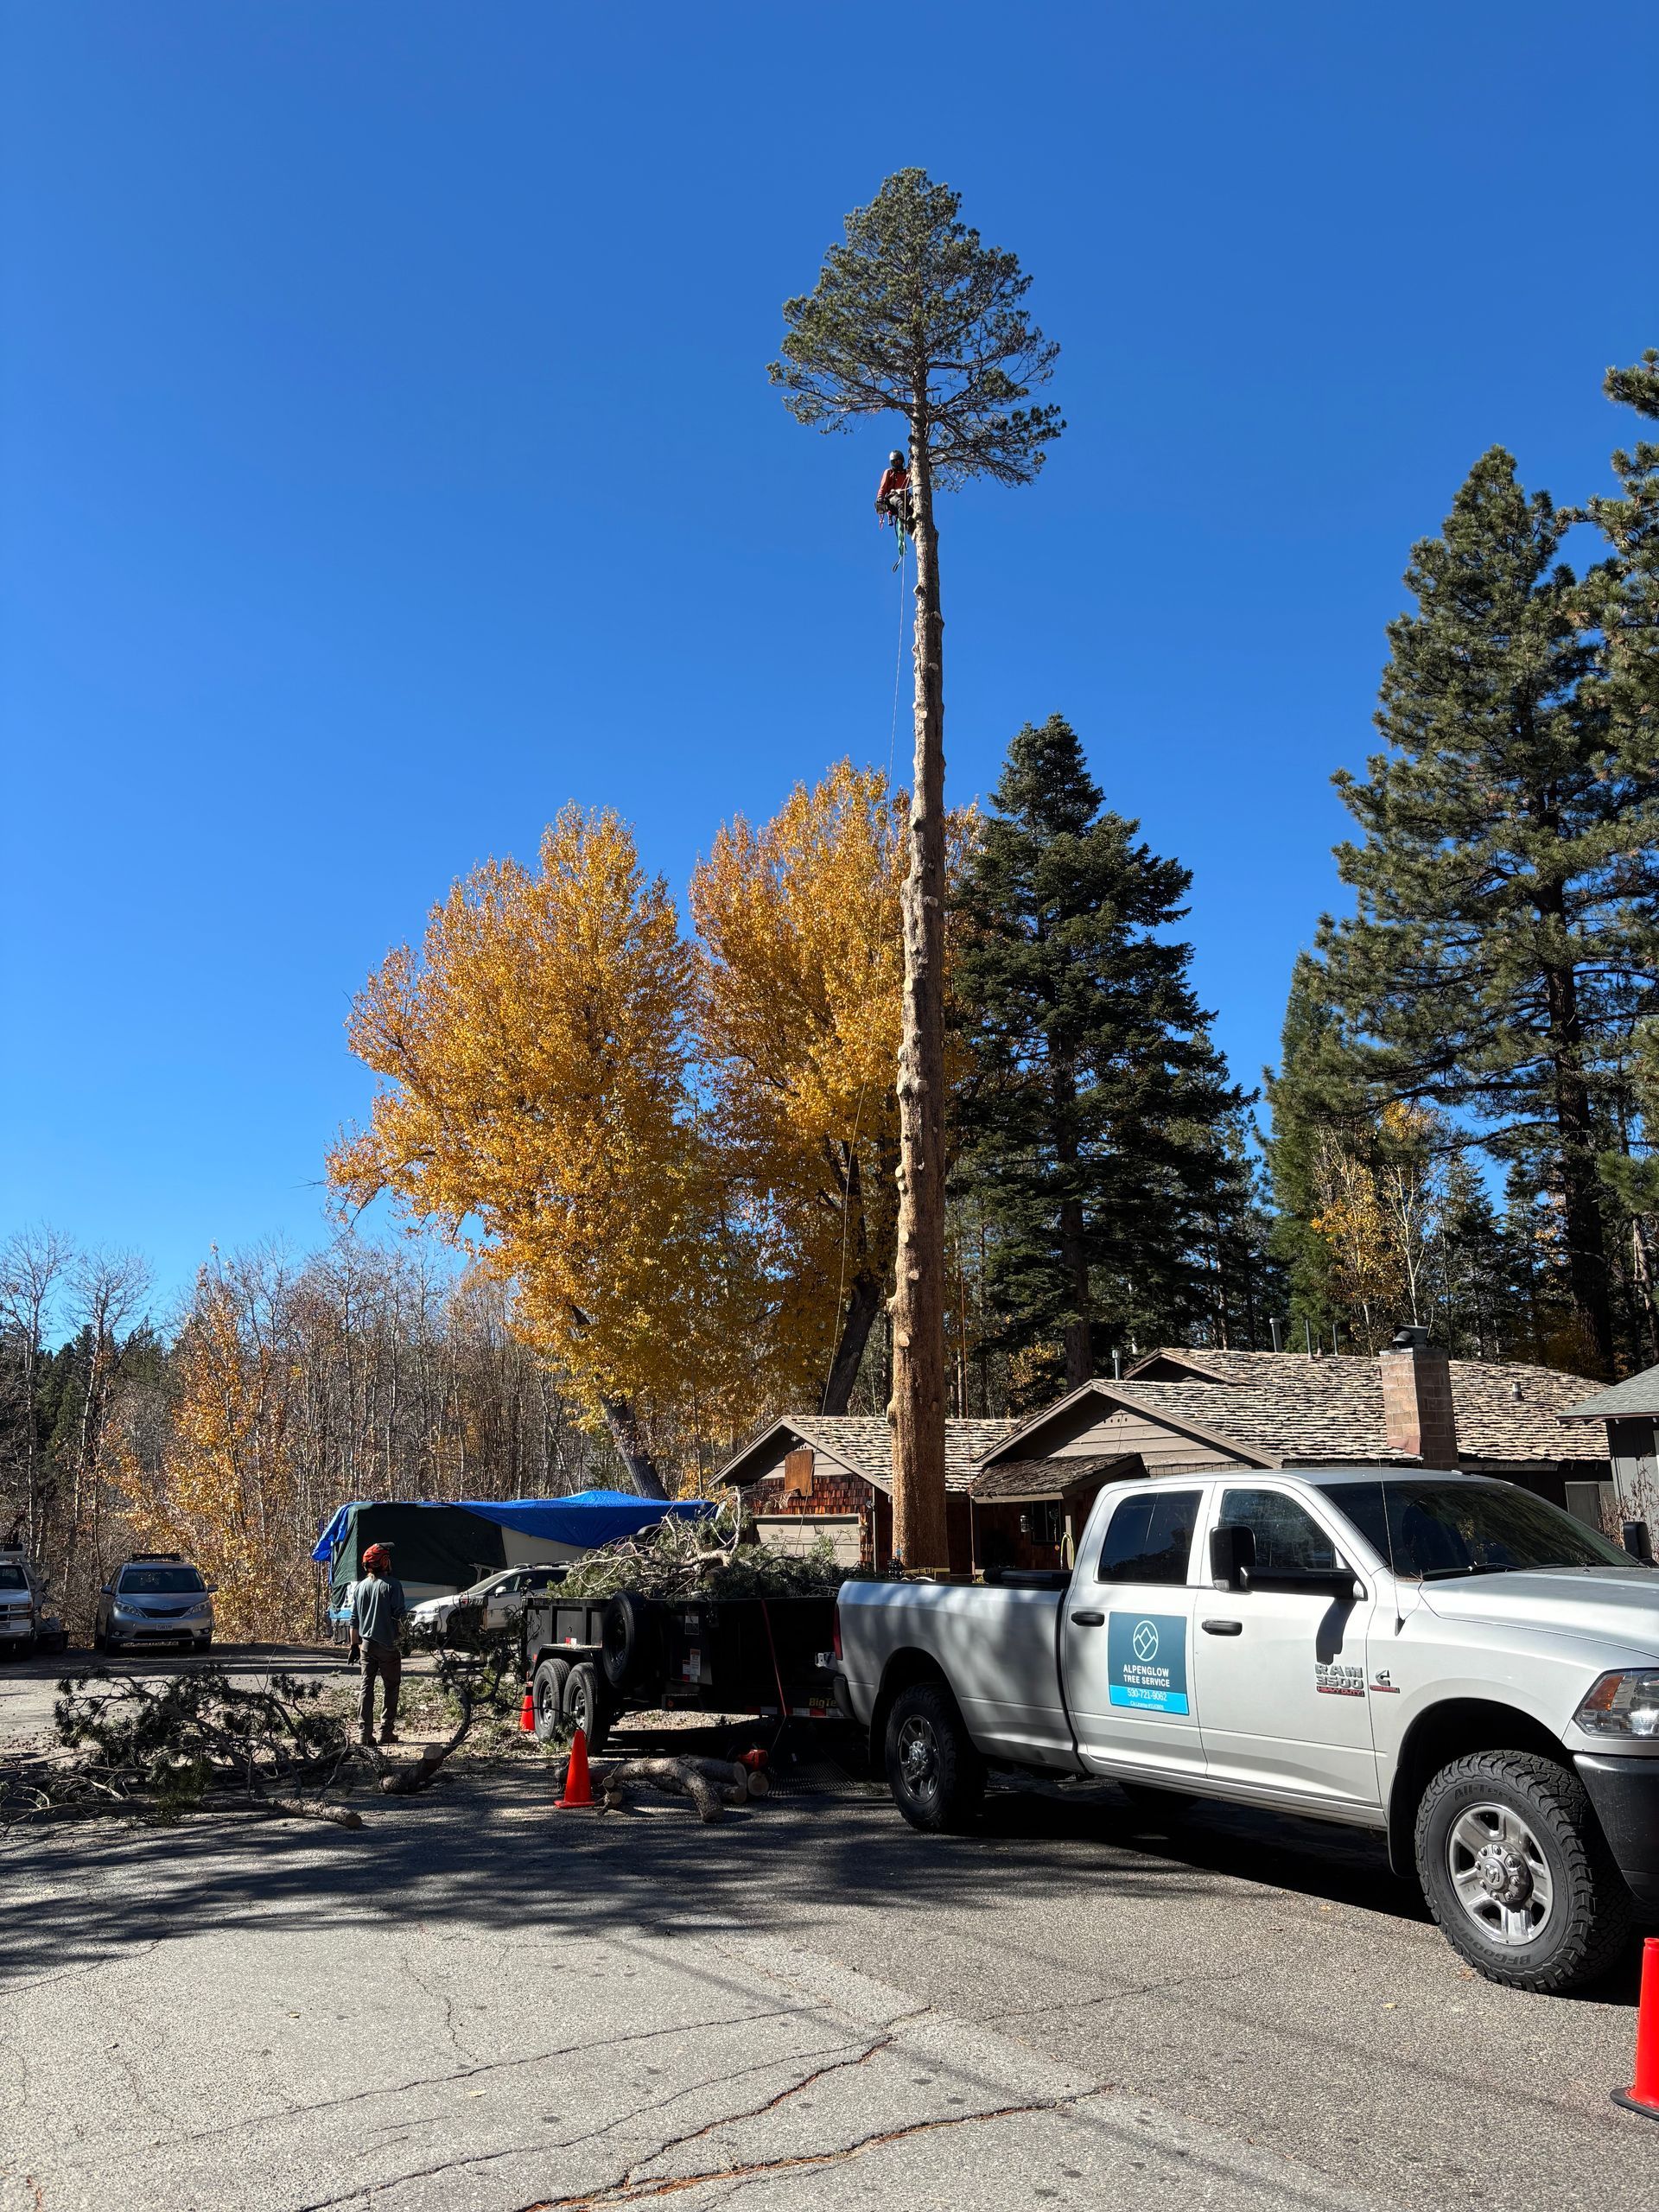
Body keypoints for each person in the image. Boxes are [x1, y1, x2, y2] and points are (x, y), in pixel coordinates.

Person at [349, 1542, 408, 1745]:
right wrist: (406, 1640)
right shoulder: (393, 1585)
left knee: (367, 1687)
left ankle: (364, 1734)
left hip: (366, 1645)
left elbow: (354, 1619)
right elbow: (400, 1617)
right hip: (388, 1646)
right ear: (383, 1562)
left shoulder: (359, 1587)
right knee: (391, 1687)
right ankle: (386, 1731)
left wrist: (353, 1645)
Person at [874, 448, 912, 531]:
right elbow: (883, 486)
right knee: (899, 502)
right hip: (892, 498)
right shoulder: (889, 472)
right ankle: (905, 520)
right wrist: (880, 498)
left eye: (899, 461)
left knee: (912, 511)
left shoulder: (907, 473)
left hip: (905, 499)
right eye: (895, 462)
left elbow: (917, 476)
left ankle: (910, 526)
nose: (897, 463)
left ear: (902, 461)